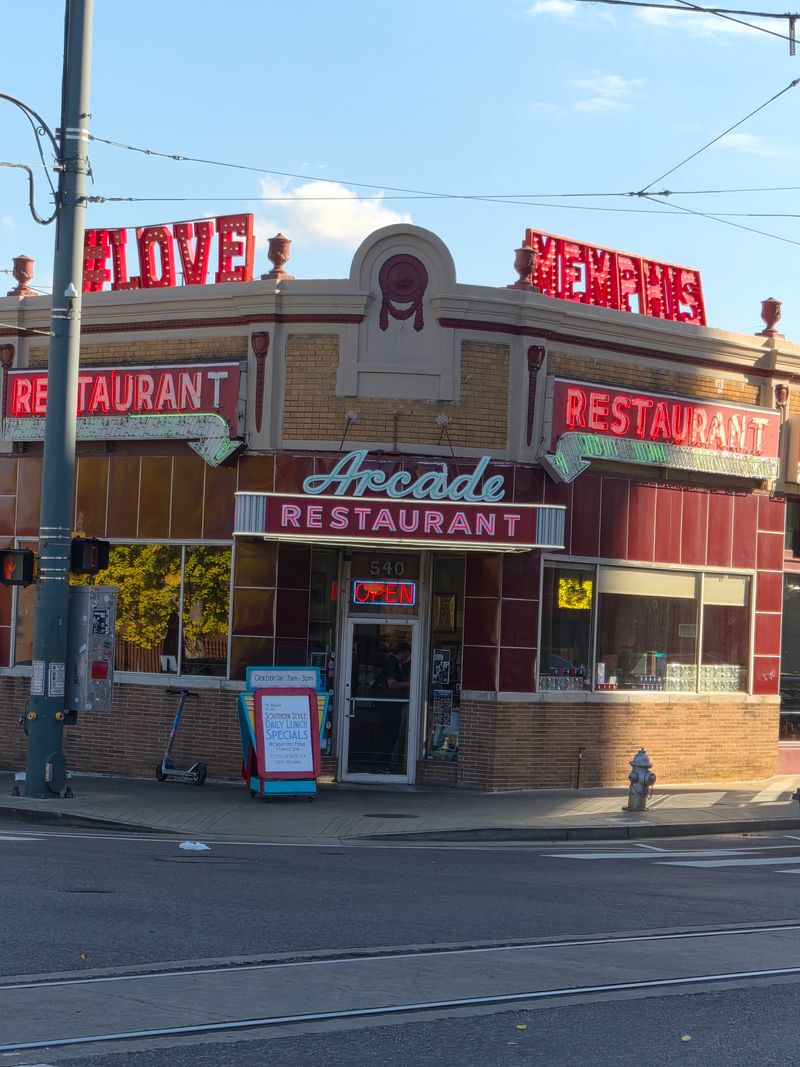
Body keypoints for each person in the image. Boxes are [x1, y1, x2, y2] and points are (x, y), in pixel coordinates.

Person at [372, 642, 411, 770]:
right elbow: (392, 683)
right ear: (399, 652)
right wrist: (408, 684)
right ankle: (384, 764)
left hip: (389, 703)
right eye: (405, 655)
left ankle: (385, 763)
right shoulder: (392, 662)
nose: (406, 658)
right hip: (389, 704)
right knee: (389, 734)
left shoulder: (392, 662)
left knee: (389, 734)